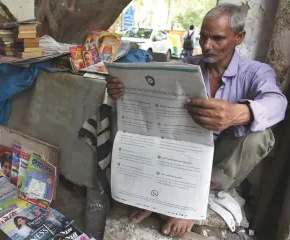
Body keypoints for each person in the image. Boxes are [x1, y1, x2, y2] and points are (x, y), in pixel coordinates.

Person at [105, 3, 287, 237]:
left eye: (218, 39)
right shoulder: (188, 67)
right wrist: (124, 90)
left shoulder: (256, 72)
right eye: (203, 38)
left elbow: (278, 103)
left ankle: (195, 199)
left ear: (239, 37)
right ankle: (152, 190)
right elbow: (150, 98)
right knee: (123, 112)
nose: (207, 46)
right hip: (182, 154)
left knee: (261, 134)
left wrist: (237, 113)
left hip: (221, 163)